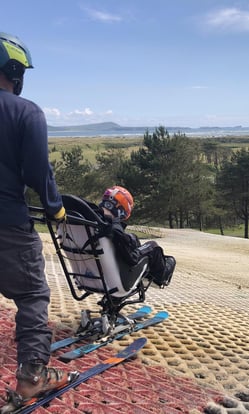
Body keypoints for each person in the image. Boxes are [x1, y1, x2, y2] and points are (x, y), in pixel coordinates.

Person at [0, 32, 77, 408]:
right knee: (32, 295)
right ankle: (32, 379)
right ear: (14, 70)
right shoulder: (25, 112)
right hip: (8, 224)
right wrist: (55, 208)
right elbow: (37, 172)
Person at [99, 186, 176, 288]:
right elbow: (131, 258)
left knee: (133, 237)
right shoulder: (114, 228)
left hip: (95, 273)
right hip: (120, 276)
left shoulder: (94, 222)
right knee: (153, 246)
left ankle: (152, 267)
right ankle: (160, 277)